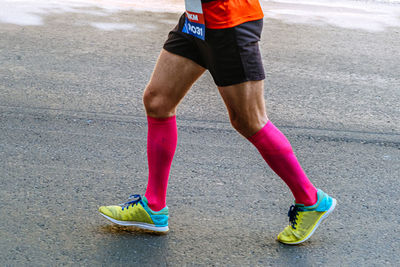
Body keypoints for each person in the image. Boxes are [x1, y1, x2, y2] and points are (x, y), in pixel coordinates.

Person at [99, 0, 336, 245]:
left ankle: (310, 200)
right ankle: (153, 207)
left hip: (229, 22)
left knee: (249, 120)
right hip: (197, 20)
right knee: (158, 101)